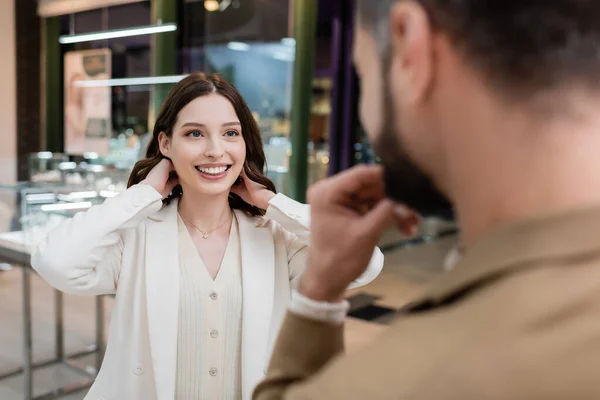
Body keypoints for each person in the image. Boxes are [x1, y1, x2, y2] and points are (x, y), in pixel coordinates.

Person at [254, 0, 600, 399]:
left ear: (409, 44)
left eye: (363, 75)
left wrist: (316, 295)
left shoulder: (410, 378)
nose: (366, 112)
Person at [31, 73, 385, 400]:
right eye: (195, 133)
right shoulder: (136, 233)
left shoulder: (275, 237)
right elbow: (54, 262)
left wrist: (274, 203)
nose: (216, 150)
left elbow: (365, 262)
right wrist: (143, 194)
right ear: (165, 143)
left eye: (231, 133)